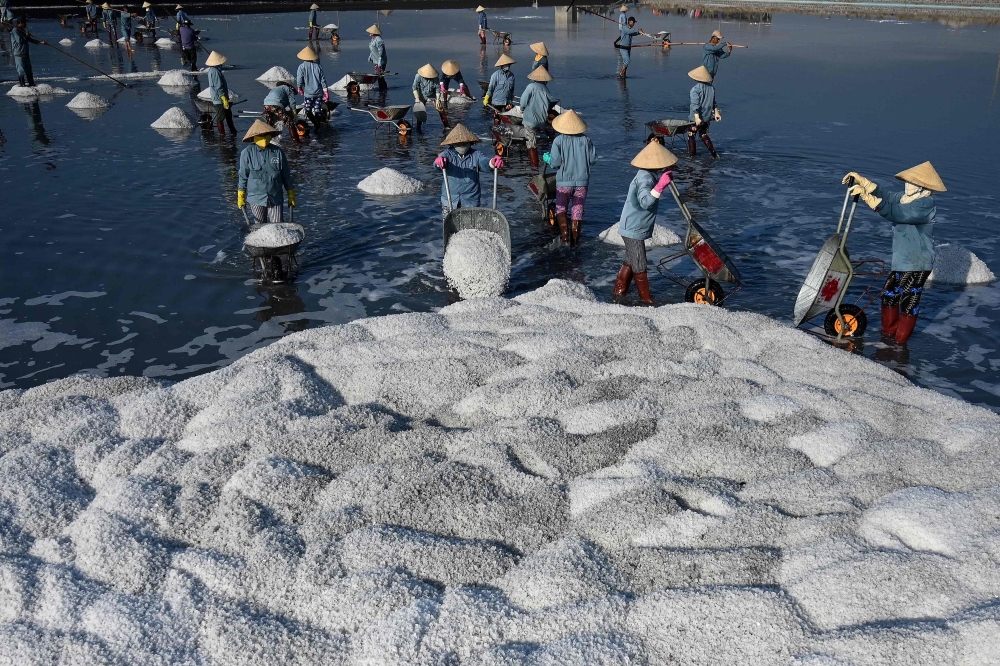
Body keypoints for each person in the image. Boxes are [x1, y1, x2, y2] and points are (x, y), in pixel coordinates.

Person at [842, 163, 945, 344]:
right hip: (902, 261)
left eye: (912, 182)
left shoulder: (924, 204)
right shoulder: (906, 198)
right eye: (907, 181)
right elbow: (887, 196)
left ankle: (899, 345)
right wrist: (863, 182)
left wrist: (866, 197)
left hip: (917, 263)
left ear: (922, 187)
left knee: (909, 302)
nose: (908, 184)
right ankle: (887, 338)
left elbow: (897, 213)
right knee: (889, 297)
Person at [614, 141, 678, 304]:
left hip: (632, 225)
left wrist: (660, 182)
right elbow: (645, 202)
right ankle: (646, 299)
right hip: (633, 228)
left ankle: (619, 293)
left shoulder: (647, 174)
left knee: (631, 260)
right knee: (639, 262)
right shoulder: (645, 177)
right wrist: (660, 186)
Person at [543, 110, 597, 246]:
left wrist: (547, 158)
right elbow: (593, 160)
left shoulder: (558, 141)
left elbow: (555, 163)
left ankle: (565, 235)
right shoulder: (586, 140)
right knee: (577, 211)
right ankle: (575, 243)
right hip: (582, 182)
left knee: (561, 209)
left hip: (564, 182)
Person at [433, 124, 504, 222]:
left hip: (471, 202)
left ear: (470, 143)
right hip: (450, 201)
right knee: (449, 226)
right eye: (458, 143)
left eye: (465, 143)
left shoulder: (476, 155)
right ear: (452, 144)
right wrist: (439, 163)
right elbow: (437, 165)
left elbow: (484, 163)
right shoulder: (446, 155)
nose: (462, 145)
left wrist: (492, 162)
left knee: (471, 227)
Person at [237, 120, 295, 225]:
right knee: (260, 228)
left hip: (275, 197)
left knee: (278, 227)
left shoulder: (278, 152)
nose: (263, 138)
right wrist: (241, 195)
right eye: (261, 135)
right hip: (256, 198)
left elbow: (286, 175)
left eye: (266, 135)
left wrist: (290, 193)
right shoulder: (247, 153)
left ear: (270, 135)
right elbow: (243, 176)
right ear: (254, 137)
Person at [517, 65, 554, 169]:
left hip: (530, 120)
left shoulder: (531, 87)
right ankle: (537, 161)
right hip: (541, 120)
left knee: (531, 144)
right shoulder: (546, 90)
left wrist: (522, 109)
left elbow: (523, 102)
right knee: (534, 139)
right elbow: (550, 104)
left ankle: (534, 167)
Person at [687, 65, 720, 158]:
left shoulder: (695, 90)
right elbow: (713, 102)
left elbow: (695, 105)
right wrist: (716, 113)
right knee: (703, 134)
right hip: (706, 117)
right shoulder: (711, 88)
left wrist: (697, 117)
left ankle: (692, 156)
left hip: (695, 118)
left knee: (691, 134)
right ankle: (714, 153)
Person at [296, 45, 329, 126]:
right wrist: (326, 92)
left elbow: (299, 79)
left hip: (308, 94)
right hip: (319, 93)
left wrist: (299, 88)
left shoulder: (301, 67)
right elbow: (323, 80)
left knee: (308, 111)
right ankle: (320, 123)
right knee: (317, 110)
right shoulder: (318, 66)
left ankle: (316, 125)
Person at [206, 50, 237, 136]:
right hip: (219, 98)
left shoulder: (213, 70)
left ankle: (233, 132)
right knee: (221, 116)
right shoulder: (215, 71)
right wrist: (223, 98)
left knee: (228, 114)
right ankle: (222, 135)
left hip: (220, 97)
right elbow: (218, 86)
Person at [11, 17, 45, 88]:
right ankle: (22, 85)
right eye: (25, 23)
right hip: (19, 53)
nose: (26, 24)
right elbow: (19, 41)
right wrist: (26, 36)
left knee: (29, 70)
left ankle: (31, 84)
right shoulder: (15, 30)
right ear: (20, 23)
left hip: (25, 53)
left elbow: (29, 39)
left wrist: (40, 42)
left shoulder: (22, 30)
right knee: (21, 70)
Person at [412, 63, 443, 131]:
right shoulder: (418, 76)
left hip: (432, 94)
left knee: (440, 108)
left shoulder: (435, 78)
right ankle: (418, 128)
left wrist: (438, 99)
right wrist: (417, 97)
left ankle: (446, 125)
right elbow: (414, 87)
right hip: (422, 94)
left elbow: (438, 88)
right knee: (420, 111)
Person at [366, 24, 387, 94]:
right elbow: (373, 49)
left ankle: (383, 90)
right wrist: (371, 56)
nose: (370, 34)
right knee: (379, 76)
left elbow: (381, 51)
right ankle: (383, 90)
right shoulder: (373, 39)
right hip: (375, 60)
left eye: (371, 33)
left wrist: (380, 59)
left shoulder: (379, 40)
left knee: (379, 76)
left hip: (380, 60)